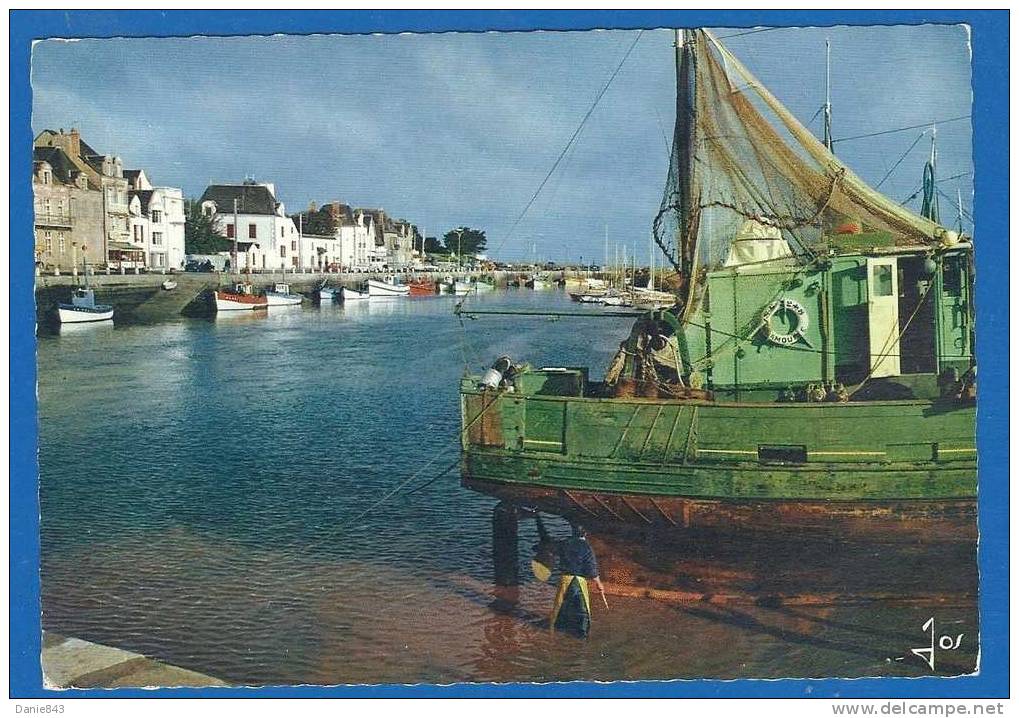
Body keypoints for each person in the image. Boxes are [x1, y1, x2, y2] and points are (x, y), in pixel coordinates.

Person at [549, 523, 607, 639]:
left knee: (560, 606)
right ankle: (582, 635)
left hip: (564, 579)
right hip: (578, 580)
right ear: (585, 534)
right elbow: (591, 567)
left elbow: (552, 551)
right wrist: (598, 583)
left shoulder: (564, 543)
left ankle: (553, 632)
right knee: (583, 608)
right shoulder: (586, 547)